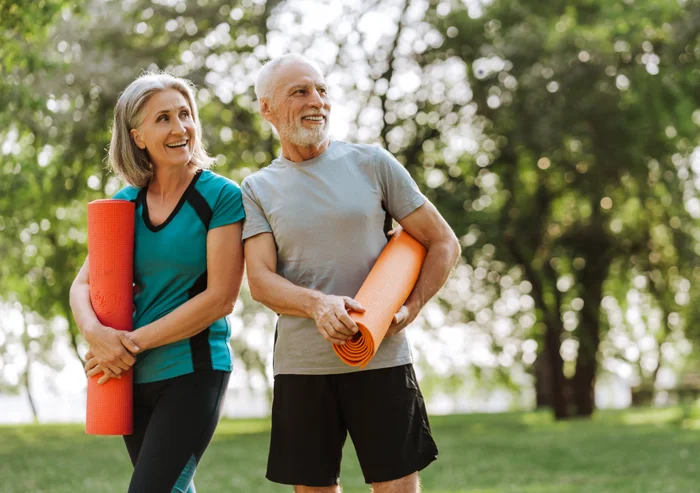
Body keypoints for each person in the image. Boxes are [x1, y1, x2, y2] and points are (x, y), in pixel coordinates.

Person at [241, 54, 461, 493]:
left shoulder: (373, 164)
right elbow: (261, 281)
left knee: (398, 488)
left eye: (322, 90)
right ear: (266, 108)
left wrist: (410, 306)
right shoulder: (256, 188)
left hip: (381, 356)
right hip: (302, 369)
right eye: (300, 91)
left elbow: (443, 242)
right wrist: (318, 305)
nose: (316, 101)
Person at [69, 72, 245, 493]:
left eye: (185, 114)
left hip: (194, 370)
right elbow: (81, 286)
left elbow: (220, 298)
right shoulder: (123, 204)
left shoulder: (221, 196)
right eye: (163, 118)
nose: (180, 127)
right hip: (133, 376)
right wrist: (97, 338)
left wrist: (128, 344)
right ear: (138, 136)